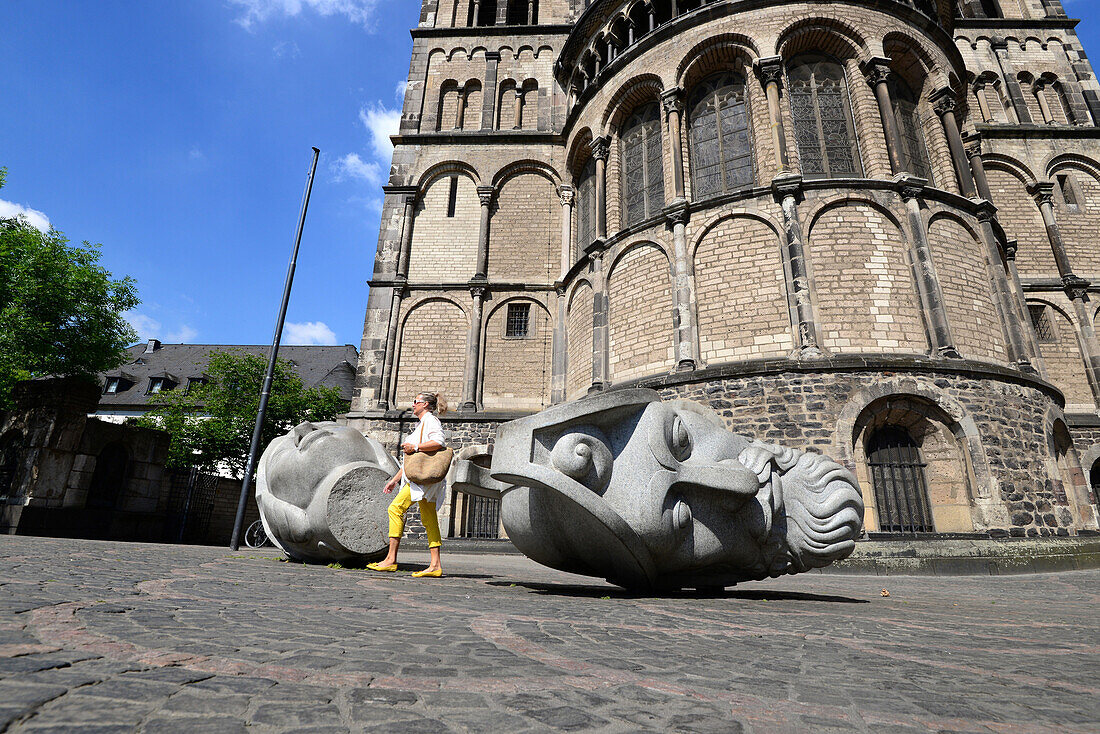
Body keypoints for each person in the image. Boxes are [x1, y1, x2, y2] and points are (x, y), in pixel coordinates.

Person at [367, 392, 448, 577]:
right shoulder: (421, 423)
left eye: (416, 402)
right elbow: (412, 463)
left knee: (395, 509)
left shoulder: (430, 420)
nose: (413, 405)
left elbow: (439, 442)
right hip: (420, 479)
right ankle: (435, 565)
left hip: (422, 481)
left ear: (426, 404)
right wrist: (395, 480)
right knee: (429, 519)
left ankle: (390, 560)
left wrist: (416, 447)